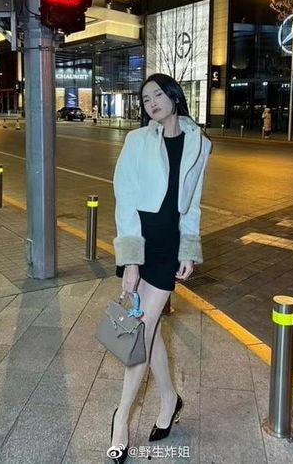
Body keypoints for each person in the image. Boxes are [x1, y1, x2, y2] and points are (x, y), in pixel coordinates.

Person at [107, 73, 212, 462]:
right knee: (146, 330)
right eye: (145, 98)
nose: (151, 103)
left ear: (173, 96)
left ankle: (121, 418)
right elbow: (124, 198)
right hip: (141, 240)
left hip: (168, 245)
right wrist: (131, 259)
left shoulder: (200, 143)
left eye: (157, 95)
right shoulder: (136, 141)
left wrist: (189, 249)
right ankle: (169, 398)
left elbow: (193, 204)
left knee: (143, 329)